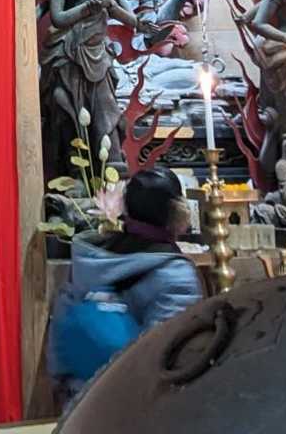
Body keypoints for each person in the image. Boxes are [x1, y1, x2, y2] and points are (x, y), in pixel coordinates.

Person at [49, 167, 203, 396]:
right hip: (134, 404)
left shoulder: (89, 257)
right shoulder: (176, 275)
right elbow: (170, 358)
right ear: (179, 213)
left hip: (80, 400)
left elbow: (61, 328)